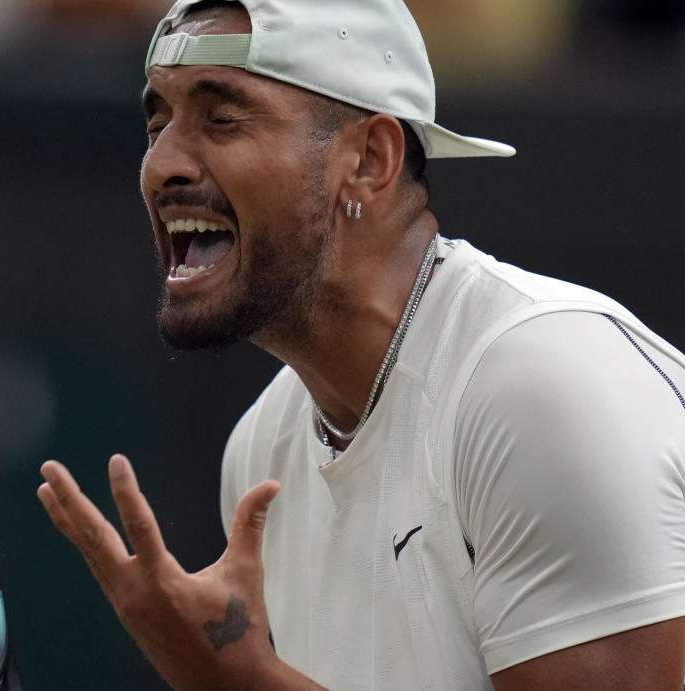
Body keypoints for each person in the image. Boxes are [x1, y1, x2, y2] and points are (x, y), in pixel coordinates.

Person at [37, 0, 685, 688]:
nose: (160, 163)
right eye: (158, 121)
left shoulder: (540, 391)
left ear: (370, 160)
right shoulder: (261, 453)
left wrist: (242, 682)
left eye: (221, 119)